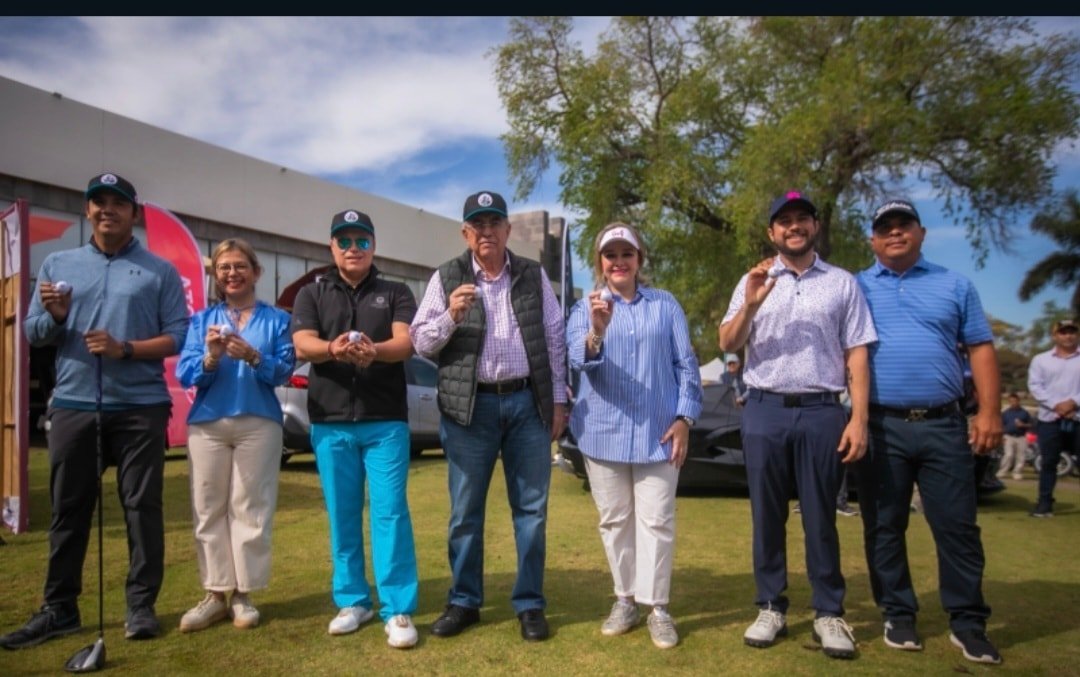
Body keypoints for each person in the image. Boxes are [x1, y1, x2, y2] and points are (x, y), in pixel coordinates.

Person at [2, 173, 189, 649]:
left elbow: (178, 337)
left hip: (141, 407)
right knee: (68, 510)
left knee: (141, 509)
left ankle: (140, 606)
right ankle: (59, 608)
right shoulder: (58, 265)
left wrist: (125, 348)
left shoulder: (159, 271)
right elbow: (32, 333)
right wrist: (59, 316)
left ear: (134, 213)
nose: (108, 209)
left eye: (118, 203)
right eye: (98, 202)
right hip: (73, 403)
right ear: (87, 211)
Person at [718, 191, 876, 660]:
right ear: (772, 232)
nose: (793, 227)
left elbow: (858, 352)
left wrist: (859, 418)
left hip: (822, 410)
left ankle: (828, 612)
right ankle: (771, 606)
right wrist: (750, 303)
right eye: (784, 221)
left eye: (801, 219)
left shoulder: (842, 283)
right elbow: (728, 341)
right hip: (764, 407)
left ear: (815, 227)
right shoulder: (755, 279)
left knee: (820, 515)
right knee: (767, 514)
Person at [410, 190, 567, 642]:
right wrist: (451, 317)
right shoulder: (447, 277)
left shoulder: (534, 276)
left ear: (507, 230)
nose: (487, 231)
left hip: (526, 404)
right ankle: (464, 601)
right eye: (477, 224)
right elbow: (421, 341)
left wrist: (558, 401)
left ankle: (530, 604)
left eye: (494, 222)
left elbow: (554, 338)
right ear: (466, 233)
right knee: (464, 512)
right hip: (469, 408)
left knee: (532, 511)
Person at [855, 197, 1003, 665]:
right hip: (880, 425)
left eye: (904, 225)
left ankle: (967, 621)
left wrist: (989, 413)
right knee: (883, 527)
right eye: (885, 227)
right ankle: (898, 614)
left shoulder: (954, 284)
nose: (894, 233)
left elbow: (979, 349)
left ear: (920, 233)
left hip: (943, 423)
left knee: (957, 526)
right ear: (872, 239)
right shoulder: (855, 287)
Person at [566, 223, 702, 649]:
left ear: (640, 259)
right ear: (600, 263)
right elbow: (577, 360)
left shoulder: (665, 305)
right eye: (611, 255)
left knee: (657, 522)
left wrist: (685, 418)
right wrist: (597, 330)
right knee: (614, 521)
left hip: (658, 435)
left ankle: (657, 607)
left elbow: (687, 365)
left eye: (627, 253)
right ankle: (625, 598)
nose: (619, 261)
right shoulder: (584, 308)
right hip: (602, 435)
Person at [290, 209, 420, 649]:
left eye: (361, 241)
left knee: (390, 513)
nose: (353, 249)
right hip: (330, 423)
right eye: (344, 241)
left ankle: (396, 607)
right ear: (331, 247)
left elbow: (405, 342)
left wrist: (371, 349)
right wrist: (333, 348)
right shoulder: (312, 293)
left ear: (373, 246)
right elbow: (302, 343)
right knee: (343, 516)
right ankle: (353, 601)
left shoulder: (396, 290)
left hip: (385, 422)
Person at [174, 239, 295, 632]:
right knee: (207, 508)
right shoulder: (201, 321)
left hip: (259, 421)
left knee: (251, 507)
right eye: (224, 267)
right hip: (208, 423)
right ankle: (214, 593)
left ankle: (244, 593)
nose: (231, 273)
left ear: (256, 272)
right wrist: (210, 355)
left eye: (240, 266)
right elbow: (187, 374)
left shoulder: (277, 320)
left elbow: (282, 372)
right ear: (216, 275)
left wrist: (252, 356)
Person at [1027, 318, 1080, 517]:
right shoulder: (1041, 360)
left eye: (1072, 331)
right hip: (1050, 418)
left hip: (1077, 416)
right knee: (1049, 462)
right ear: (1055, 335)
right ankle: (1044, 504)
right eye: (1063, 332)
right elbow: (1035, 386)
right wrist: (1056, 405)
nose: (1068, 335)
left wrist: (1073, 402)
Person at [997, 393, 1032, 481]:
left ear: (1018, 401)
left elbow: (1031, 424)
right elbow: (1000, 425)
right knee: (1009, 454)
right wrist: (1001, 437)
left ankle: (1017, 472)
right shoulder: (1006, 413)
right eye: (1011, 401)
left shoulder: (1024, 413)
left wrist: (1023, 425)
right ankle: (1003, 471)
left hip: (1021, 437)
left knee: (1021, 456)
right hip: (1008, 436)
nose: (1013, 403)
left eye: (1015, 401)